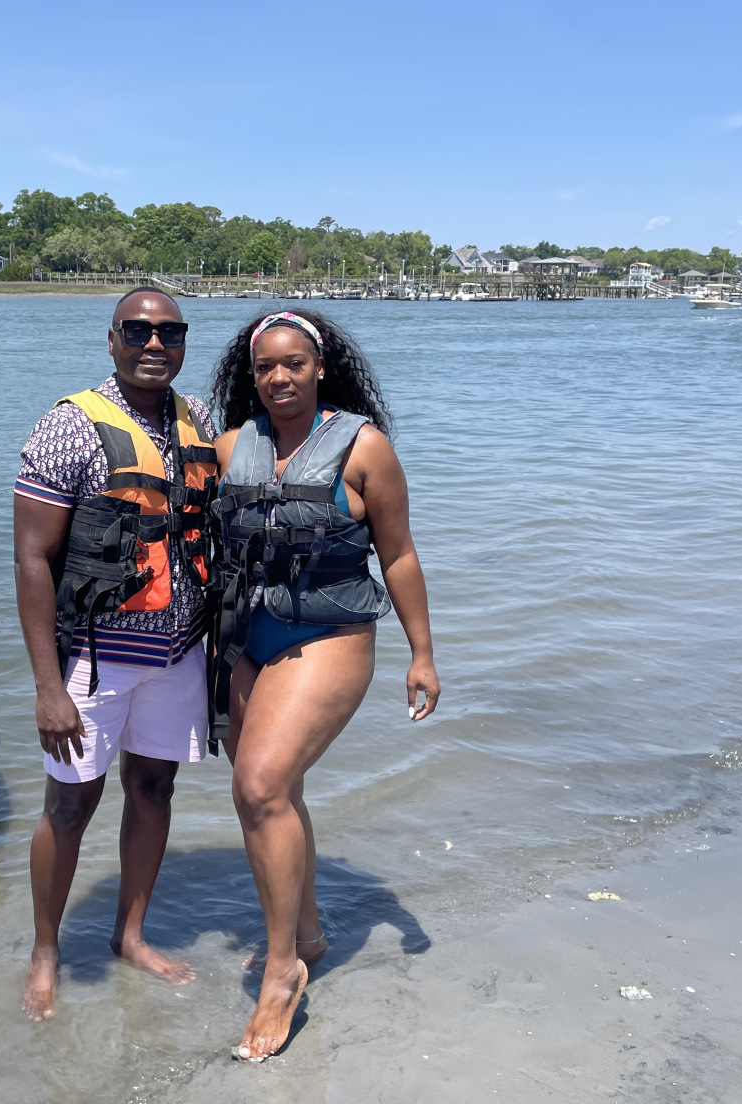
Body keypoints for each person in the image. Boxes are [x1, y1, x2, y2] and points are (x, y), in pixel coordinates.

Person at [205, 309, 439, 1062]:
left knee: (260, 786)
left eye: (294, 364)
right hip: (249, 639)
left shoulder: (365, 448)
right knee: (277, 792)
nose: (279, 377)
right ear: (252, 375)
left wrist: (422, 654)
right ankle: (306, 935)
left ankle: (283, 974)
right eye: (266, 367)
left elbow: (398, 555)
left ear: (320, 367)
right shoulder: (231, 446)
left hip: (329, 634)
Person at [14, 288, 219, 1020]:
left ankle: (129, 936)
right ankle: (45, 951)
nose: (154, 344)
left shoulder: (200, 419)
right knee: (71, 804)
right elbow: (32, 560)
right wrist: (48, 688)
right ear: (112, 339)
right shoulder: (68, 427)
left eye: (169, 332)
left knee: (154, 789)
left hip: (178, 654)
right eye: (137, 331)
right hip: (94, 658)